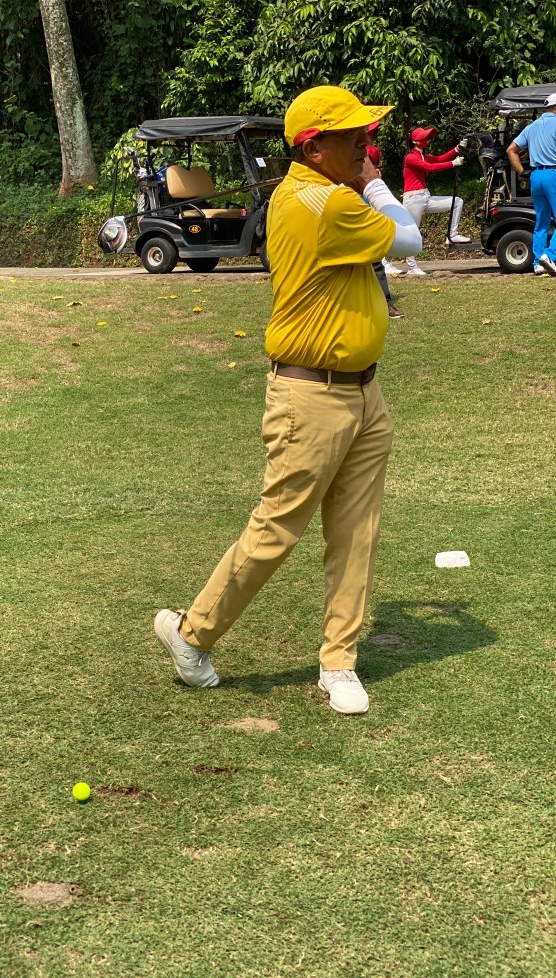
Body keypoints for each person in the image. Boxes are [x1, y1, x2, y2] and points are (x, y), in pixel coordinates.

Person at [153, 85, 422, 716]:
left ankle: (339, 662)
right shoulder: (325, 202)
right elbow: (409, 239)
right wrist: (377, 185)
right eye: (352, 136)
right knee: (277, 527)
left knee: (356, 533)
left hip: (363, 391)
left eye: (365, 134)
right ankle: (192, 633)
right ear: (314, 147)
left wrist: (361, 180)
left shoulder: (312, 192)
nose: (365, 145)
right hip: (311, 395)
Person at [398, 126, 470, 277]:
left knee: (457, 202)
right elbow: (430, 167)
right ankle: (411, 267)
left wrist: (456, 149)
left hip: (425, 196)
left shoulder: (422, 155)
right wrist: (453, 163)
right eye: (423, 138)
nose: (426, 140)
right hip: (413, 199)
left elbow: (439, 159)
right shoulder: (411, 157)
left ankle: (452, 235)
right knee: (412, 233)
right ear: (415, 141)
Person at [506, 93, 556, 277]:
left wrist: (521, 172)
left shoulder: (532, 127)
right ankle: (549, 255)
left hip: (535, 176)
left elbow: (511, 150)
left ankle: (538, 264)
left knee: (542, 222)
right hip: (553, 174)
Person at [365, 131, 404, 316]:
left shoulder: (373, 178)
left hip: (367, 220)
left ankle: (385, 302)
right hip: (354, 219)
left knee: (375, 264)